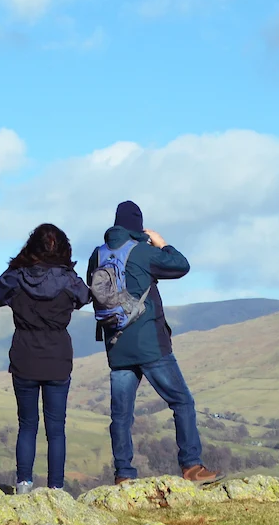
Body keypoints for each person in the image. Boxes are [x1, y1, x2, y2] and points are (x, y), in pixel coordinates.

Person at [91, 199, 219, 484]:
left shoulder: (97, 256)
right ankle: (191, 467)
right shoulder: (143, 252)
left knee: (121, 415)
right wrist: (162, 243)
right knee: (182, 401)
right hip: (150, 344)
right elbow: (181, 266)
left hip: (116, 344)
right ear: (138, 226)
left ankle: (124, 473)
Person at [0, 222, 92, 493]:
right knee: (56, 428)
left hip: (24, 356)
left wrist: (17, 266)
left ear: (31, 247)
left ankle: (23, 485)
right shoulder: (69, 280)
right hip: (57, 357)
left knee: (27, 425)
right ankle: (56, 489)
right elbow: (85, 297)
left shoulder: (17, 277)